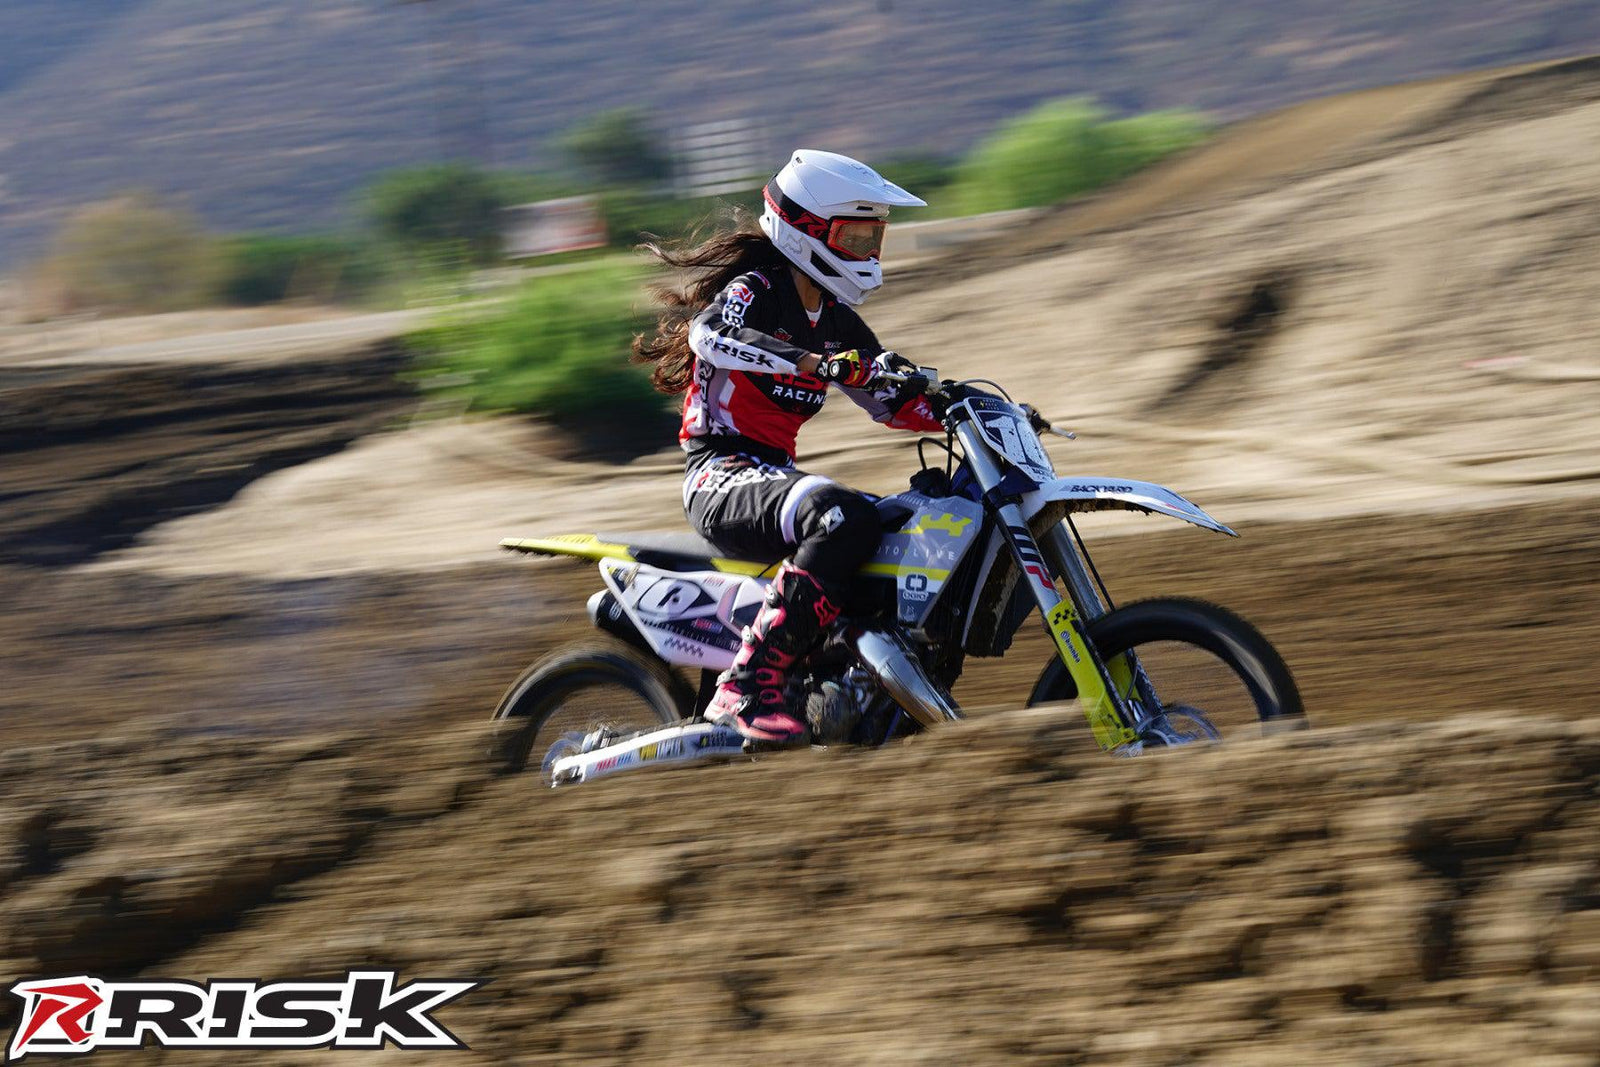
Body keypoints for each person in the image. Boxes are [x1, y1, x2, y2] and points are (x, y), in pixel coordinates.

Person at [633, 149, 943, 746]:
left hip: (772, 476)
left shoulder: (836, 320)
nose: (869, 251)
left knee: (900, 524)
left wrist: (964, 407)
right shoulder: (758, 291)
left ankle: (846, 680)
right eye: (855, 236)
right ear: (805, 230)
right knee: (840, 514)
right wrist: (807, 359)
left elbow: (889, 400)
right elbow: (711, 335)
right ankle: (744, 686)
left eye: (874, 236)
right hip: (718, 473)